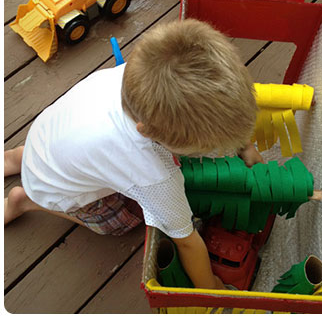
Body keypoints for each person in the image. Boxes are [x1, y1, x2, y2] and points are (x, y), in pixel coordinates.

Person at [4, 18, 263, 290]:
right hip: (56, 189)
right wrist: (210, 286)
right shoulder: (154, 174)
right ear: (149, 132)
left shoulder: (143, 74)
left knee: (67, 157)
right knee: (124, 222)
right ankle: (27, 201)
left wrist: (244, 144)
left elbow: (208, 104)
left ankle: (13, 158)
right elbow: (186, 240)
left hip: (45, 138)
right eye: (205, 148)